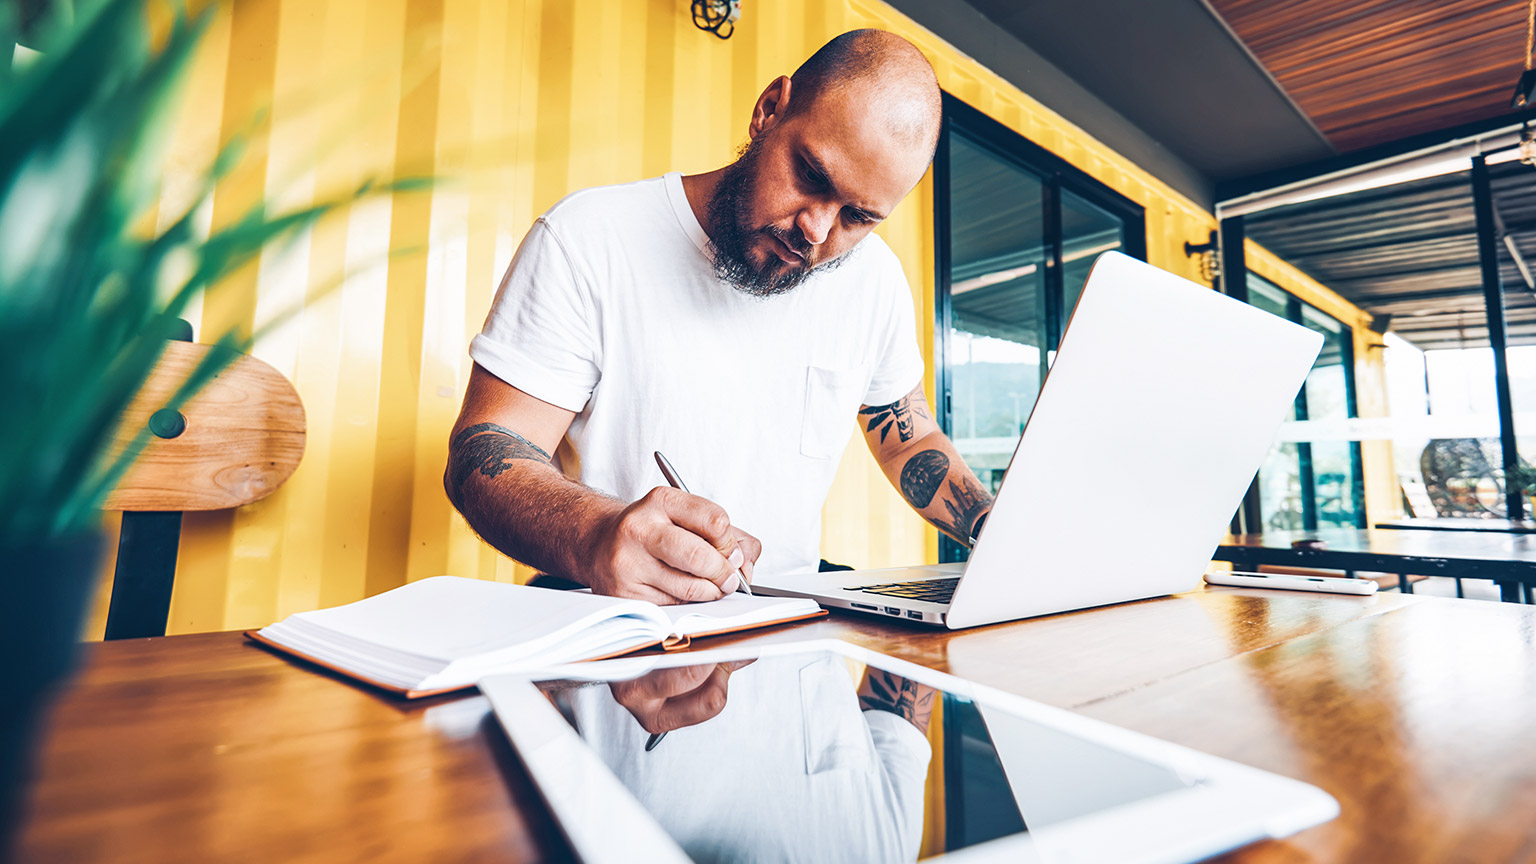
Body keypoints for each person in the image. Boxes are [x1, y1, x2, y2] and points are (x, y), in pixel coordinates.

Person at [445, 29, 993, 603]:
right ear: (769, 111)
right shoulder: (588, 238)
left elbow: (907, 439)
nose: (817, 231)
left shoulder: (874, 280)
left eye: (857, 216)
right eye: (811, 175)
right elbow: (485, 447)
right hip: (618, 631)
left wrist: (990, 529)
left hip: (787, 628)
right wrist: (595, 534)